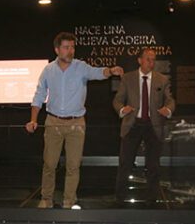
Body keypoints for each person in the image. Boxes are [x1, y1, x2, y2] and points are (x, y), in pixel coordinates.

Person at [26, 31, 124, 209]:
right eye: (66, 47)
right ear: (57, 50)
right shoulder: (48, 70)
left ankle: (68, 201)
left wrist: (110, 71)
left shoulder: (81, 67)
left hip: (76, 123)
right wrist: (33, 119)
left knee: (73, 165)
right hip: (53, 122)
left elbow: (97, 72)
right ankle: (46, 199)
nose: (70, 51)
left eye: (72, 47)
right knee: (49, 164)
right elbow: (39, 95)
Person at [112, 48, 175, 203]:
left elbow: (170, 100)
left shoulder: (162, 79)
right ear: (139, 60)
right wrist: (122, 109)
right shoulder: (127, 78)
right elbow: (117, 100)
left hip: (153, 125)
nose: (151, 62)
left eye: (153, 59)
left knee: (153, 164)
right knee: (125, 162)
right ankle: (120, 197)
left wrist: (168, 109)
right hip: (133, 124)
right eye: (148, 59)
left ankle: (152, 199)